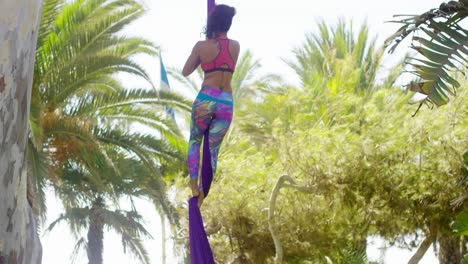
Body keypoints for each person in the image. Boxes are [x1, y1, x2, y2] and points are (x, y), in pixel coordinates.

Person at [182, 4, 240, 207]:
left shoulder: (201, 46)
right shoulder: (236, 46)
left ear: (212, 23)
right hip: (225, 103)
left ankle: (193, 186)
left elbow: (185, 71)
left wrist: (201, 55)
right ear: (229, 24)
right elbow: (223, 54)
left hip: (206, 99)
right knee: (212, 150)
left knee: (195, 141)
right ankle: (203, 194)